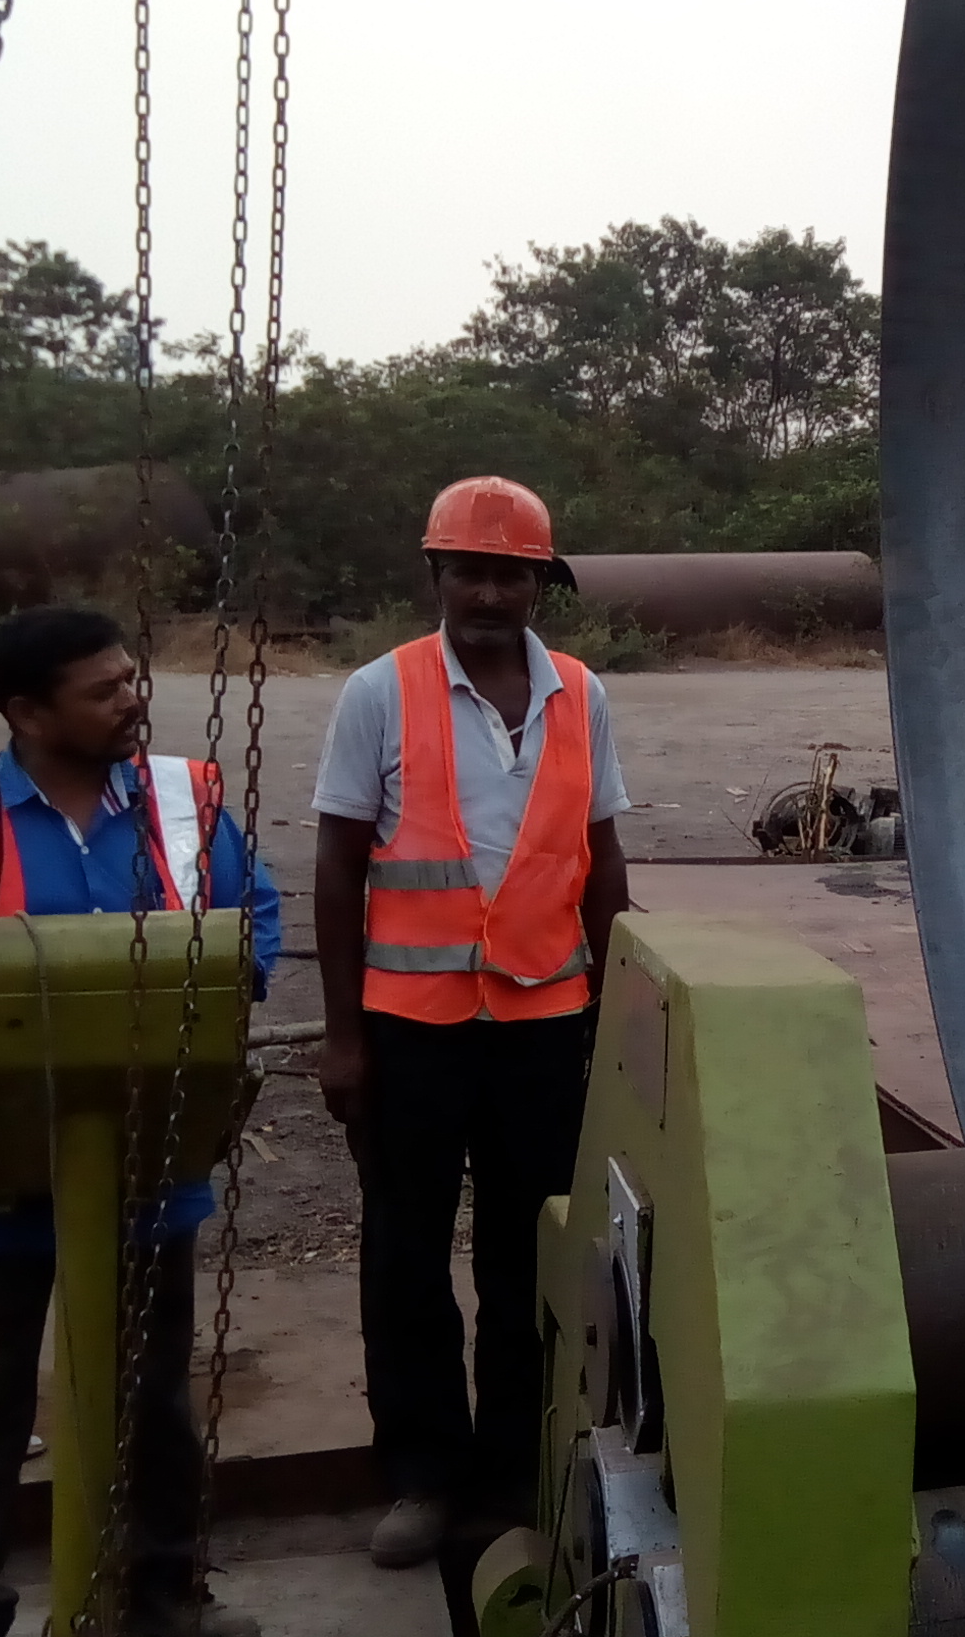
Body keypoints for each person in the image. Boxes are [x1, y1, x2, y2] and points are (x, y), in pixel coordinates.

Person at [0, 606, 280, 1637]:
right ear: (28, 712)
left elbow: (253, 912)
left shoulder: (181, 800)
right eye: (103, 690)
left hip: (146, 1155)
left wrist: (220, 987)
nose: (132, 700)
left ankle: (162, 1601)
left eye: (131, 678)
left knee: (152, 1401)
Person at [310, 476, 630, 1567]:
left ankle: (515, 1469)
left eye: (511, 574)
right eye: (470, 571)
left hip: (544, 1025)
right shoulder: (380, 691)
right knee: (405, 1257)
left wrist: (615, 1007)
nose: (490, 592)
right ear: (436, 575)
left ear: (542, 584)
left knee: (526, 1256)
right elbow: (337, 864)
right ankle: (421, 1475)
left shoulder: (581, 694)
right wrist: (343, 1037)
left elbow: (601, 857)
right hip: (411, 1028)